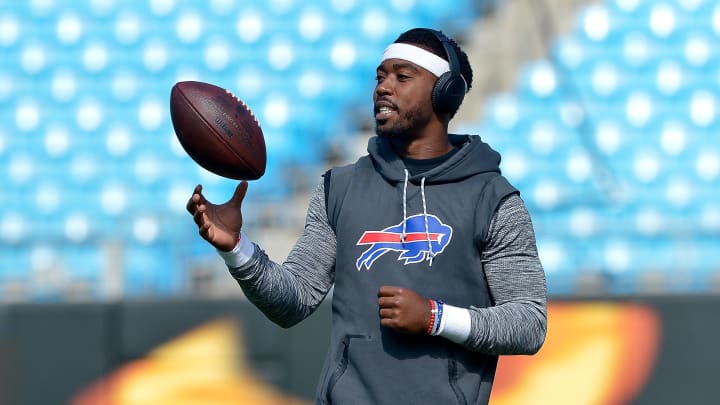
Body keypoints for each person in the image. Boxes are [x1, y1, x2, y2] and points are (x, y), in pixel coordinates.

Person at [187, 27, 547, 405]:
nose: (383, 88)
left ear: (445, 91)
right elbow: (293, 301)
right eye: (380, 76)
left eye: (402, 76)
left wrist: (435, 317)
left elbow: (529, 324)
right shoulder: (338, 188)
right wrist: (237, 249)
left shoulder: (492, 199)